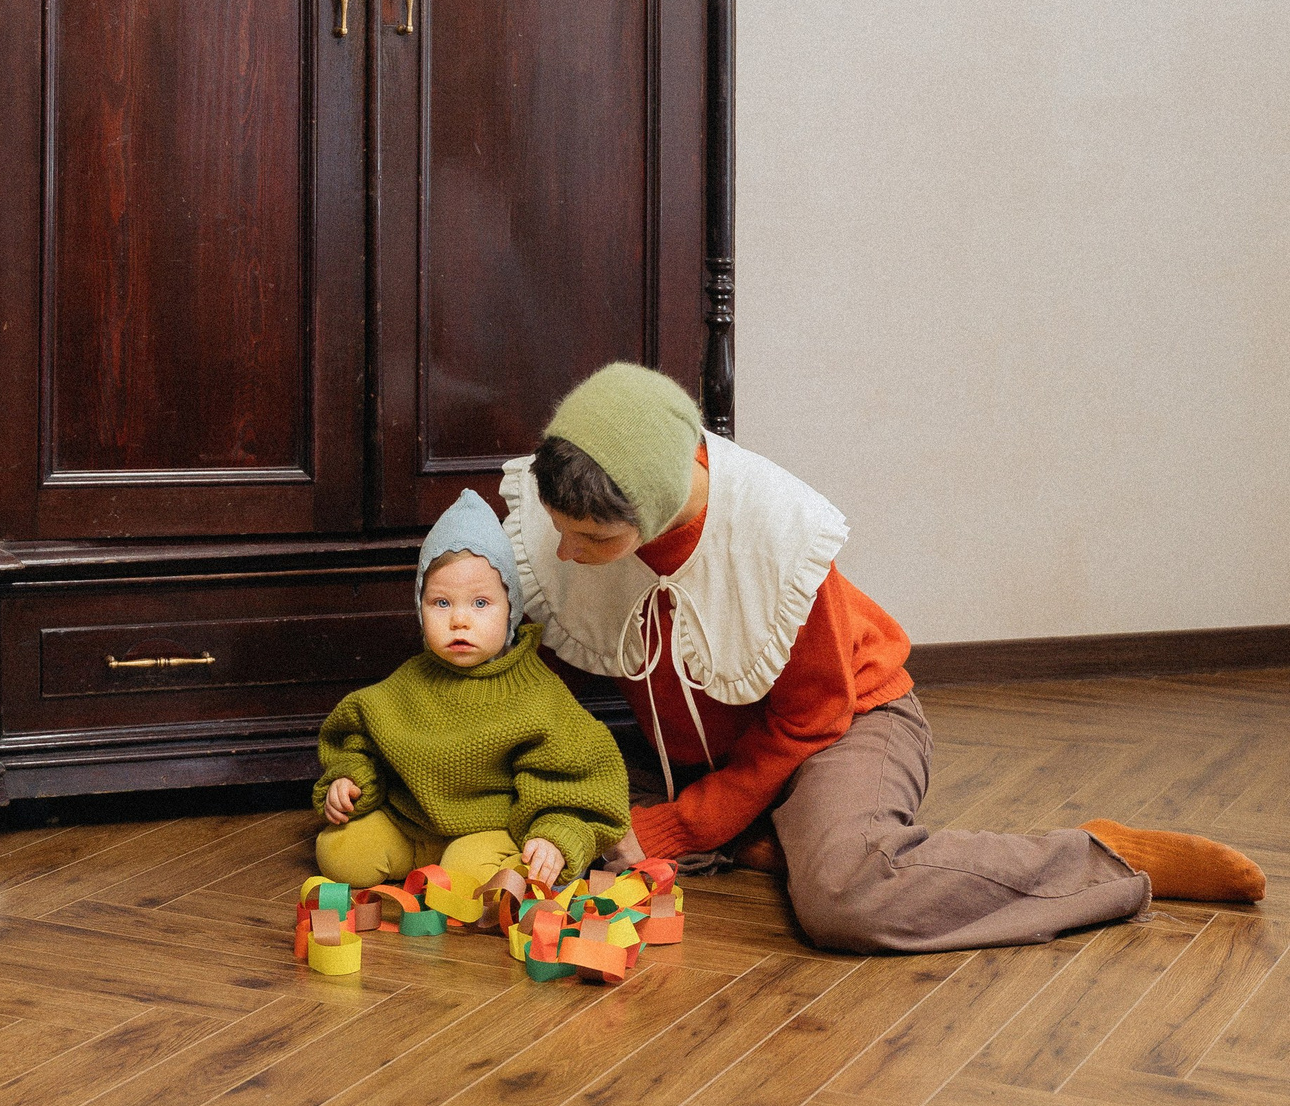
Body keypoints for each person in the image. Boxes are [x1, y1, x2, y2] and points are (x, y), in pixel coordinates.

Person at [502, 363, 1265, 954]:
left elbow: (810, 720)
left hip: (842, 725)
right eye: (561, 532)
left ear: (659, 500)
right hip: (713, 754)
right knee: (544, 819)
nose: (568, 554)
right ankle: (780, 839)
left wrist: (680, 826)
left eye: (594, 540)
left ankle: (1102, 860)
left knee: (847, 900)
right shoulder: (575, 518)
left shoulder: (777, 536)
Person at [313, 488, 631, 898]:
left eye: (480, 603)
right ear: (420, 608)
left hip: (492, 830)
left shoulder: (538, 695)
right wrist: (349, 780)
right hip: (411, 824)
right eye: (441, 603)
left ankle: (508, 865)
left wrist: (555, 834)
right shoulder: (407, 684)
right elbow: (359, 741)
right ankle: (421, 861)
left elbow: (577, 775)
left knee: (469, 877)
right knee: (339, 852)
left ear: (511, 609)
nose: (459, 620)